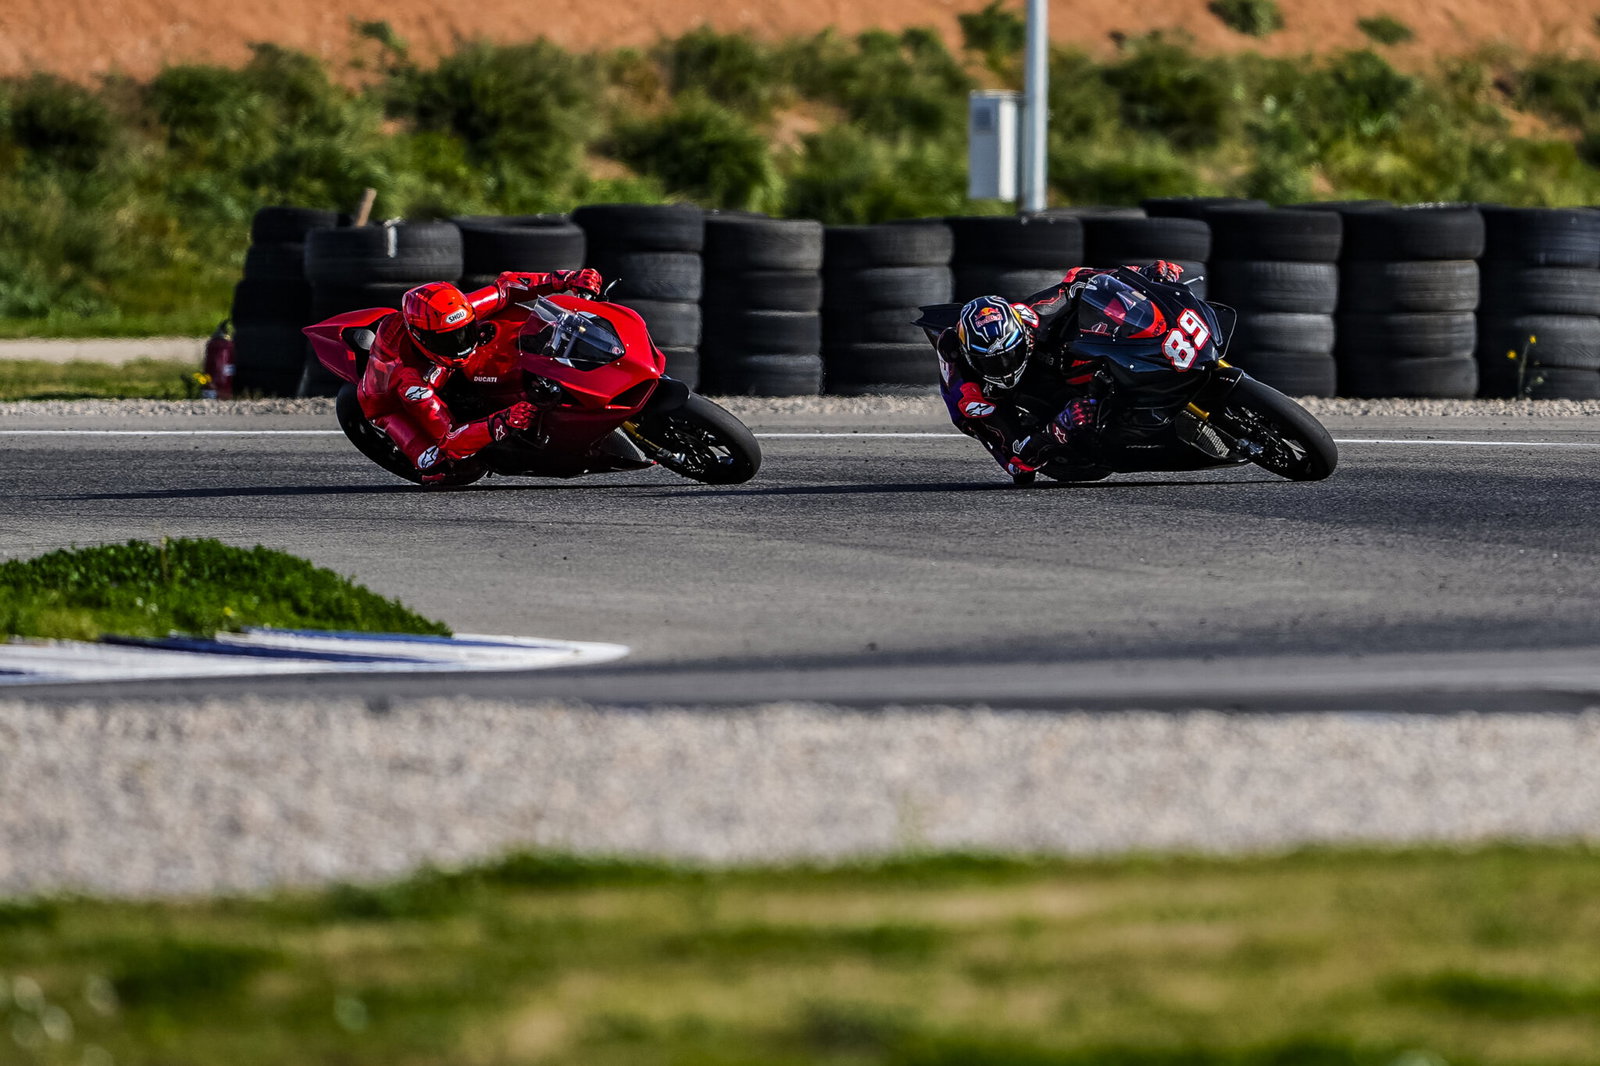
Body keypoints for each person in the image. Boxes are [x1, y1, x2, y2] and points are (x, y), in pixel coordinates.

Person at [934, 260, 1186, 484]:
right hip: (993, 401)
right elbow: (1014, 460)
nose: (1004, 366)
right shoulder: (971, 393)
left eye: (1010, 354)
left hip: (1043, 362)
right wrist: (1057, 429)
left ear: (1022, 334)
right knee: (1020, 469)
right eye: (992, 362)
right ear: (971, 357)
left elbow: (1080, 279)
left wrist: (1143, 273)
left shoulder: (1034, 316)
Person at [357, 268, 603, 481]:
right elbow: (450, 440)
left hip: (442, 362)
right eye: (448, 340)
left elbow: (507, 287)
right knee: (445, 470)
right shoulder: (410, 382)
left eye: (464, 332)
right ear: (421, 338)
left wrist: (567, 278)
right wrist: (503, 421)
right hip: (385, 403)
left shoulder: (453, 314)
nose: (461, 345)